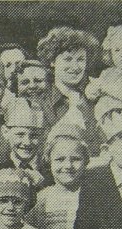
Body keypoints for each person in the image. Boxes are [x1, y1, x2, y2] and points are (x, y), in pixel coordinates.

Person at [35, 27, 105, 156]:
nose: (75, 67)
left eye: (80, 59)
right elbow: (41, 149)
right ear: (52, 61)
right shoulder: (39, 102)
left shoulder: (96, 96)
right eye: (68, 59)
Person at [0, 98, 49, 188]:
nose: (27, 142)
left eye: (34, 135)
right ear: (5, 132)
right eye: (20, 134)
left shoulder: (50, 172)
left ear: (42, 135)